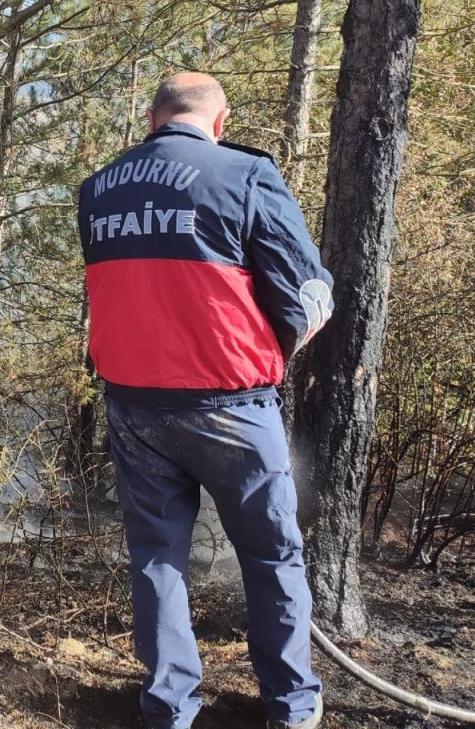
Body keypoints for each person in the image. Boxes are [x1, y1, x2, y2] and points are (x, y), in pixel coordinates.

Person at [77, 72, 334, 729]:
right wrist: (272, 352)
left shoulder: (98, 189)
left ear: (151, 117)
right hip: (232, 405)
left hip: (134, 407)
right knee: (272, 555)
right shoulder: (243, 175)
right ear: (219, 122)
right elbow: (309, 298)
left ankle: (170, 711)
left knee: (158, 557)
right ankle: (293, 710)